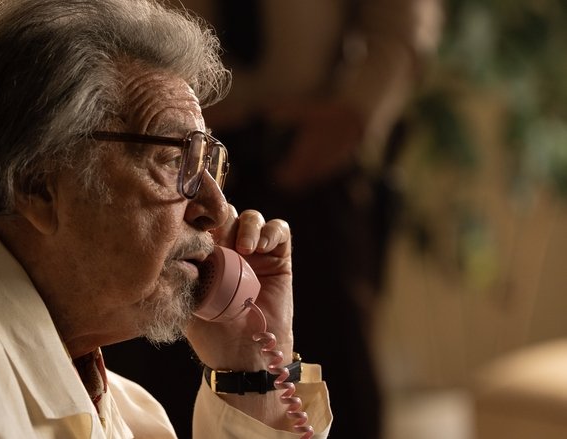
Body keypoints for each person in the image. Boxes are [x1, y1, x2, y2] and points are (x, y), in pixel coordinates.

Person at [0, 0, 332, 438]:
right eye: (174, 161)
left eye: (208, 164)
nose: (217, 209)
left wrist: (250, 368)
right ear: (36, 185)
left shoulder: (128, 410)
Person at [102, 1, 443, 438]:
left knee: (340, 368)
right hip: (161, 160)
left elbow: (401, 24)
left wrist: (356, 114)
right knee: (147, 372)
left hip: (310, 154)